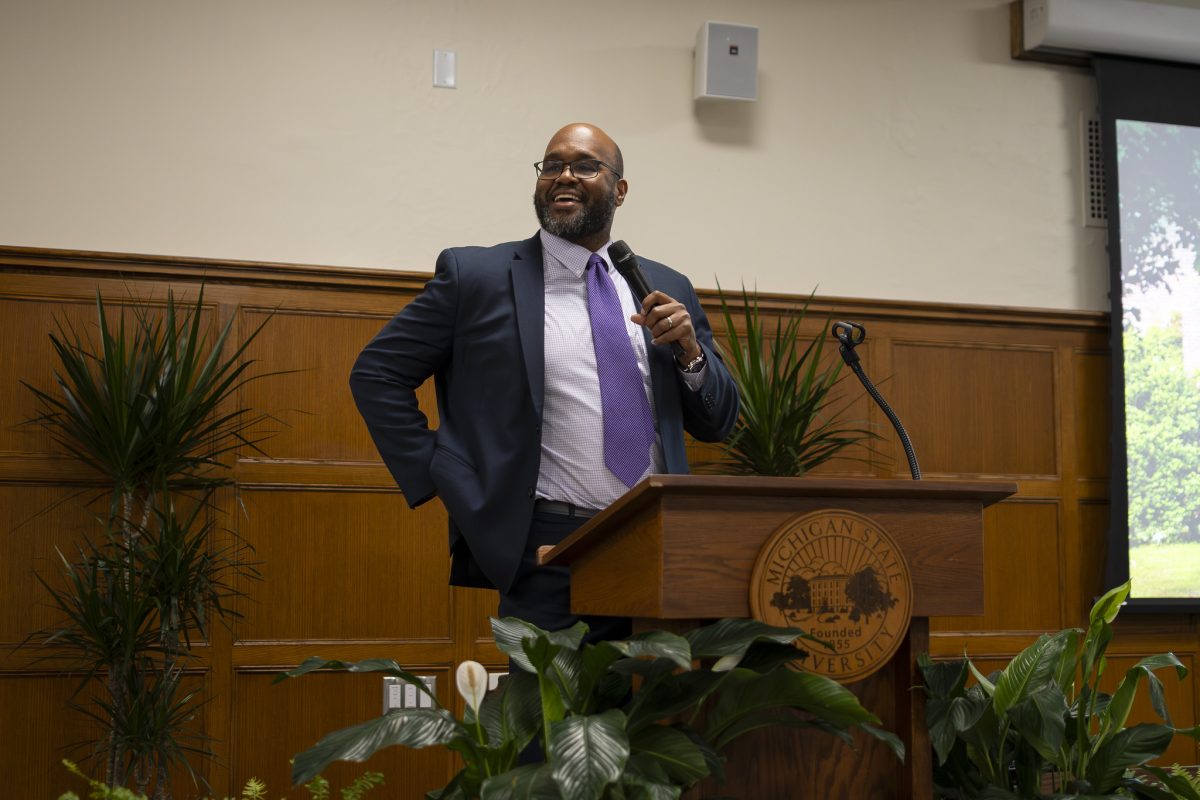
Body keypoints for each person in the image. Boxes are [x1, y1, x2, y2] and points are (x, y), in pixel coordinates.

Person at [350, 122, 739, 640]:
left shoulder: (666, 286)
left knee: (656, 714)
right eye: (552, 166)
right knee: (554, 718)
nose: (564, 177)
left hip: (659, 539)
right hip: (550, 545)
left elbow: (719, 423)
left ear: (620, 189)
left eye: (584, 165)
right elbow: (377, 372)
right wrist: (445, 473)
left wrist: (693, 356)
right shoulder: (478, 277)